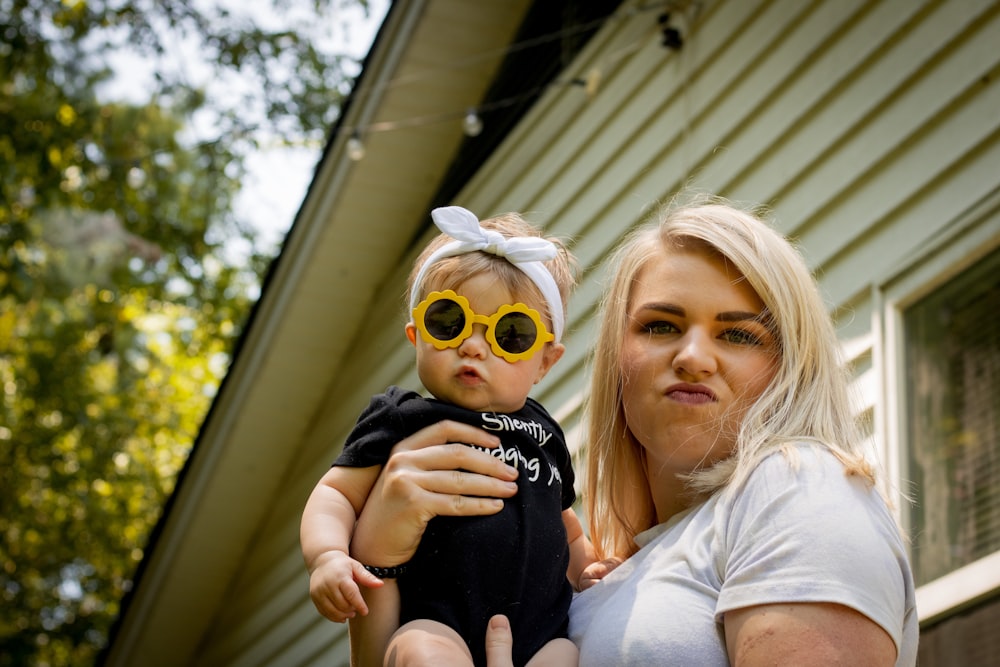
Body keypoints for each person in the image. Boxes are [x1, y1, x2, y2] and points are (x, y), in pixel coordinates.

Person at [342, 195, 919, 666]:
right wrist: (378, 557)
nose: (694, 356)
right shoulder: (595, 577)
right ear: (617, 357)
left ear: (791, 363)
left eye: (739, 334)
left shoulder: (800, 485)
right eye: (661, 325)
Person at [300, 206, 607, 667]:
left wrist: (587, 570)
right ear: (415, 334)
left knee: (569, 655)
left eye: (511, 333)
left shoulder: (544, 431)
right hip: (436, 621)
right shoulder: (403, 417)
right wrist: (327, 556)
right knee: (422, 653)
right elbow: (336, 494)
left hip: (541, 637)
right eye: (450, 322)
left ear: (546, 361)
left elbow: (565, 523)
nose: (473, 345)